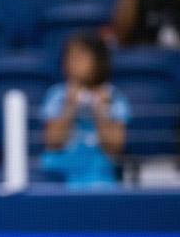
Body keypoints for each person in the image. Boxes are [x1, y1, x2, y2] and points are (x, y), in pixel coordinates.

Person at [41, 33, 129, 188]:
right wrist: (69, 106)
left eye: (80, 57)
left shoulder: (114, 97)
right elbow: (53, 142)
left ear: (98, 61)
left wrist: (101, 111)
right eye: (69, 57)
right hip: (59, 177)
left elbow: (115, 147)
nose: (73, 63)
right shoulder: (56, 95)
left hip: (101, 178)